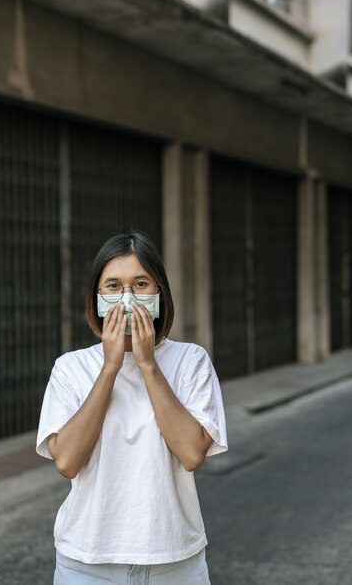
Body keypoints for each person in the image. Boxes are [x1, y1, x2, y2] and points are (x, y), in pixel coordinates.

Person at [36, 230, 228, 585]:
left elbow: (191, 454)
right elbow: (66, 462)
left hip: (175, 562)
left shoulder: (191, 360)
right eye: (113, 286)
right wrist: (110, 368)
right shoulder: (71, 367)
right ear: (96, 297)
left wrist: (148, 365)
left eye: (141, 284)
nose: (127, 298)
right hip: (87, 562)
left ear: (159, 293)